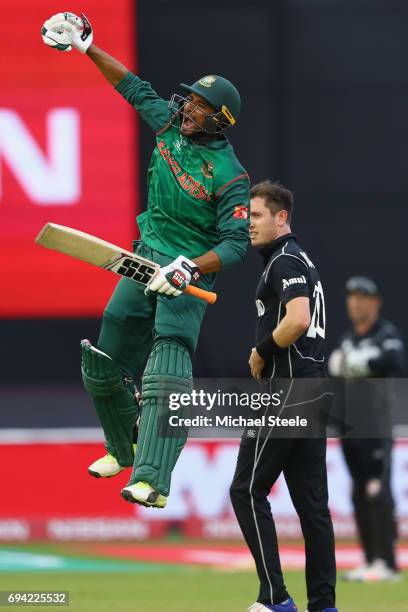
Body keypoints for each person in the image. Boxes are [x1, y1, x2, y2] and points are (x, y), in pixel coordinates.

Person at [41, 12, 249, 508]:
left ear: (220, 118)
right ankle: (121, 447)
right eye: (190, 99)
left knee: (165, 371)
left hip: (183, 274)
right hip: (143, 258)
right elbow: (133, 87)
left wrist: (191, 267)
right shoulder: (168, 126)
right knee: (105, 356)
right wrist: (89, 49)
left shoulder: (230, 174)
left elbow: (236, 244)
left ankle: (152, 479)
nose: (188, 107)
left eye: (200, 105)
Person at [230, 181, 337, 612]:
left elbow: (297, 319)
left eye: (256, 216)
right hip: (313, 389)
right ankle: (324, 606)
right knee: (313, 509)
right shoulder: (300, 259)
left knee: (245, 489)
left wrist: (261, 350)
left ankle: (275, 598)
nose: (249, 224)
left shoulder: (285, 259)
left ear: (281, 218)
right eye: (247, 216)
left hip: (289, 390)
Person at [328, 276, 405, 582]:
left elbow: (394, 359)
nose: (356, 304)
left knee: (377, 488)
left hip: (376, 425)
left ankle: (387, 562)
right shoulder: (348, 339)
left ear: (375, 303)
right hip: (351, 428)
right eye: (352, 298)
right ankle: (371, 559)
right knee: (359, 491)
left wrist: (366, 362)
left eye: (362, 298)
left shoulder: (384, 334)